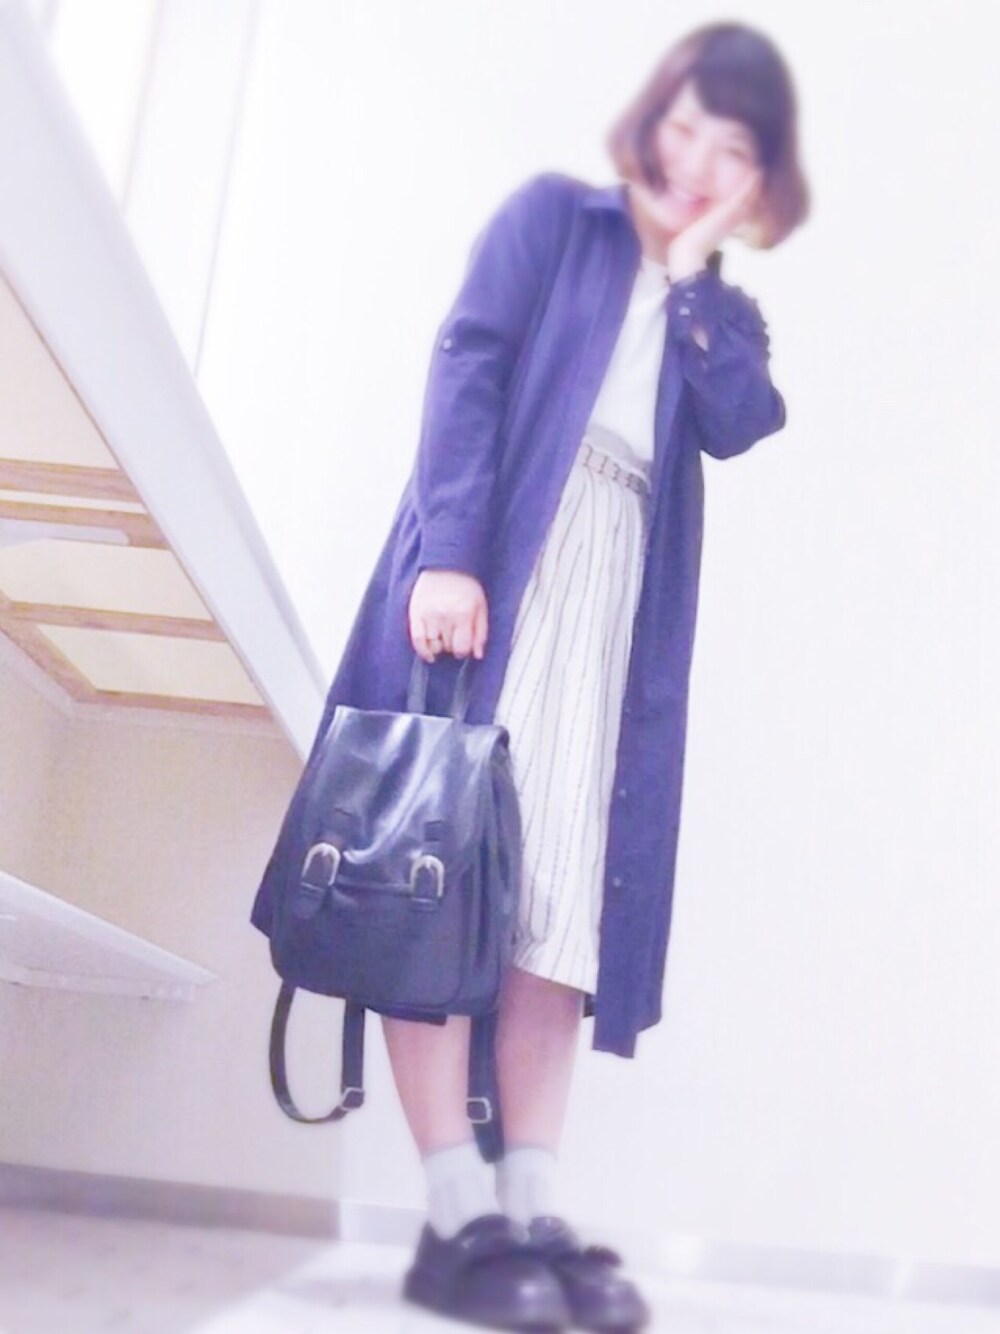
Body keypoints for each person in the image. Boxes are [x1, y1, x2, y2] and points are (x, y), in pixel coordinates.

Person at [313, 19, 809, 1332]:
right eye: (690, 125)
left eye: (735, 149)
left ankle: (527, 1206)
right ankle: (455, 1214)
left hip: (616, 610)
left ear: (759, 179)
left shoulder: (717, 311)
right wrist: (449, 552)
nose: (698, 160)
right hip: (504, 568)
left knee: (560, 915)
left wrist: (694, 277)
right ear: (654, 117)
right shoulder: (554, 219)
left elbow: (744, 419)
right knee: (437, 882)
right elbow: (468, 361)